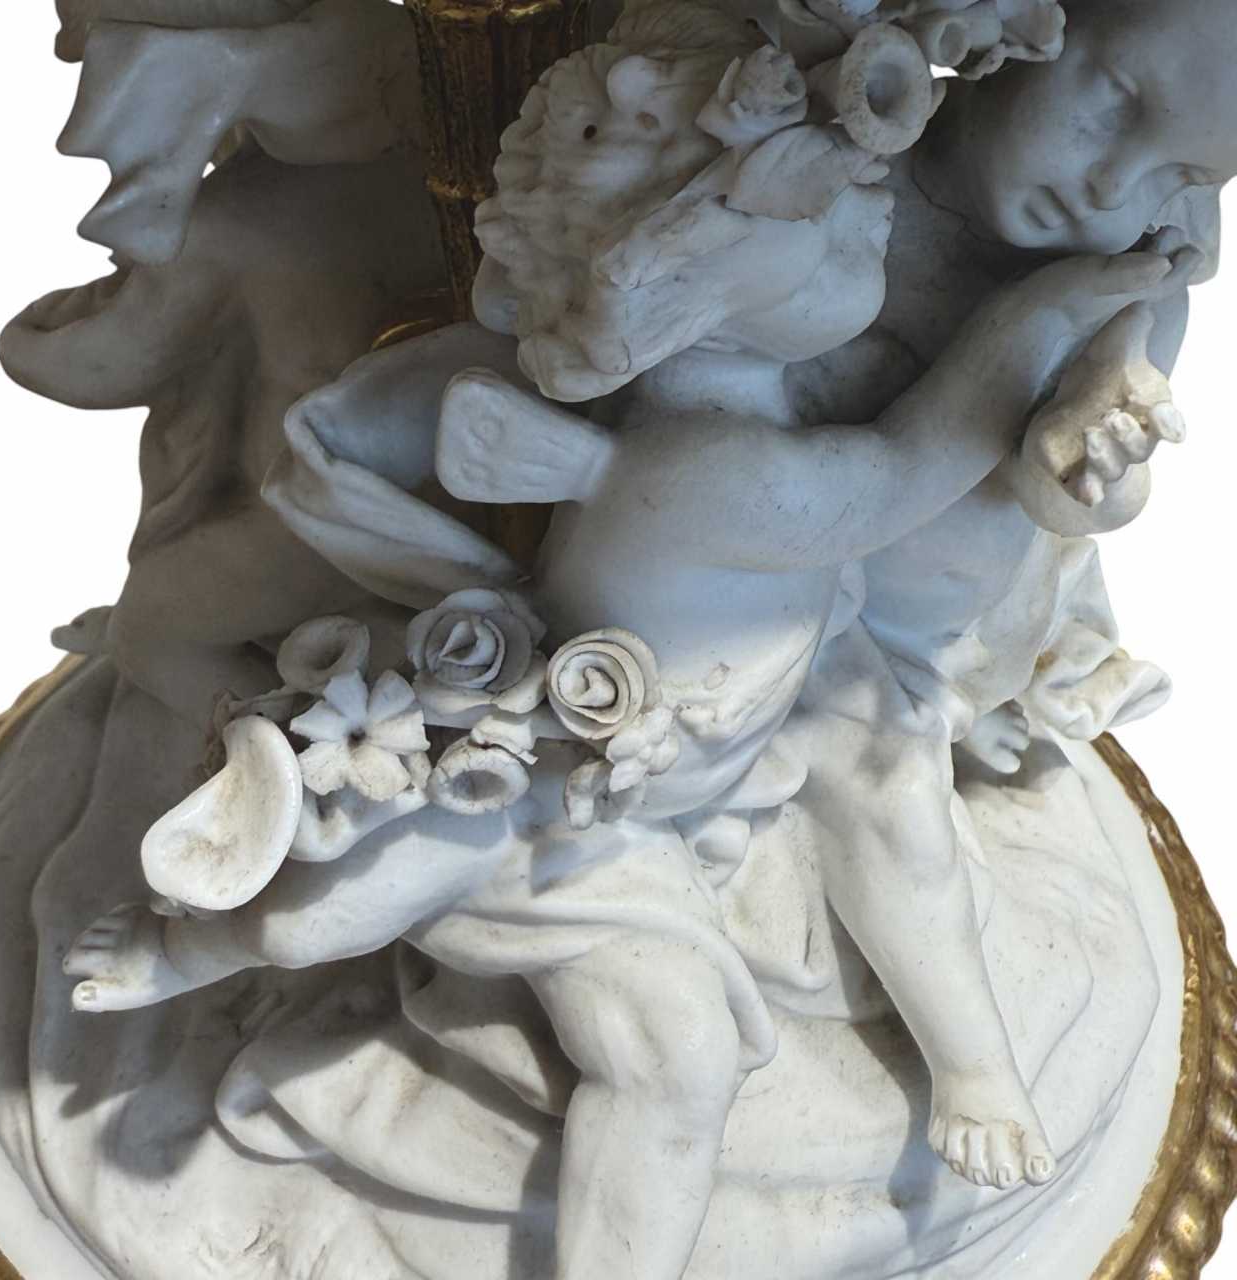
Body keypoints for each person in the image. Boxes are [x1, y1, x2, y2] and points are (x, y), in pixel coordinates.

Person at [63, 6, 1182, 1276]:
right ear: (684, 282)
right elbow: (912, 461)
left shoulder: (701, 416)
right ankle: (187, 940)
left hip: (753, 708)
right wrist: (1056, 304)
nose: (870, 221)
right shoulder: (716, 472)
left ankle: (967, 1064)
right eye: (828, 223)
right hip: (571, 799)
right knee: (350, 922)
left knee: (874, 830)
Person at [778, 0, 1237, 1192]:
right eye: (1115, 103)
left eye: (1183, 172)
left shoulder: (1122, 289)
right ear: (1016, 30)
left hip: (921, 630)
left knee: (883, 780)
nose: (1112, 184)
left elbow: (1075, 487)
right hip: (776, 580)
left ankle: (971, 1062)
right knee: (853, 759)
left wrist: (1090, 459)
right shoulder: (835, 178)